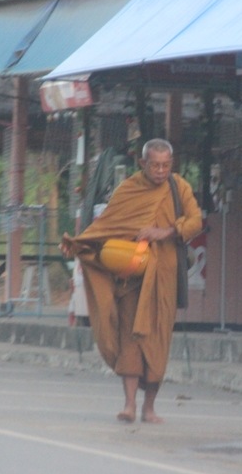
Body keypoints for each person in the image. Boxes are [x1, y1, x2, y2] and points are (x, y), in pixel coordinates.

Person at [61, 138, 202, 423]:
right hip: (132, 279)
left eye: (165, 165)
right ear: (142, 164)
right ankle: (129, 405)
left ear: (171, 165)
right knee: (130, 337)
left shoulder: (179, 187)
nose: (160, 171)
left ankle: (149, 408)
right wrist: (81, 244)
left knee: (157, 341)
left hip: (163, 278)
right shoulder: (128, 189)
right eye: (154, 165)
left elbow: (195, 221)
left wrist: (164, 232)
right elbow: (108, 225)